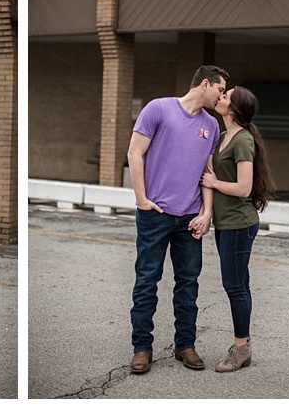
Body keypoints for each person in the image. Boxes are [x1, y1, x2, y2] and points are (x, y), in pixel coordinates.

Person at [128, 65, 229, 375]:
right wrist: (142, 200)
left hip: (189, 219)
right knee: (147, 282)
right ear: (205, 84)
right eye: (220, 89)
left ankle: (185, 345)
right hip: (155, 215)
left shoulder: (211, 125)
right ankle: (142, 349)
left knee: (188, 284)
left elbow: (207, 174)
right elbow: (135, 153)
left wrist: (206, 213)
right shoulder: (159, 108)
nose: (221, 96)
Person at [201, 85, 275, 372]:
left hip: (239, 224)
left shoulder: (242, 140)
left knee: (235, 286)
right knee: (238, 285)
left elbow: (244, 188)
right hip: (227, 223)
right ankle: (242, 346)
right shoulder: (223, 136)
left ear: (233, 109)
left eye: (226, 95)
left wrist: (214, 183)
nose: (220, 96)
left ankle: (241, 348)